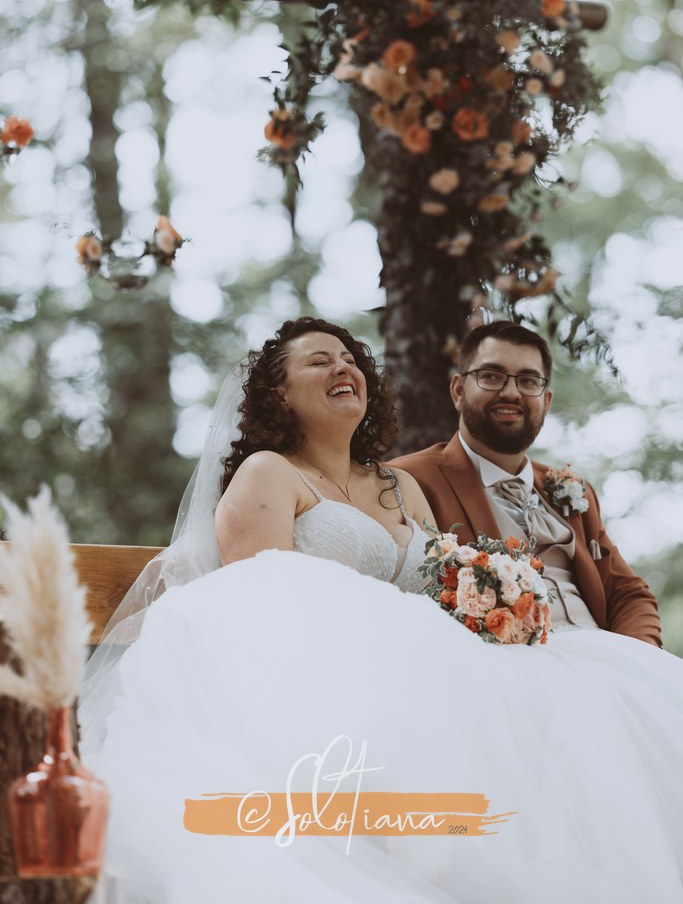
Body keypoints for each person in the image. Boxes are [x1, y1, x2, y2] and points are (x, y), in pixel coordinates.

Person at [80, 316, 683, 904]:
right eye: (319, 361)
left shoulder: (398, 488)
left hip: (434, 668)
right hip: (323, 680)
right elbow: (254, 608)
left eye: (350, 360)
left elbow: (443, 587)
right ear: (277, 393)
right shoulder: (268, 474)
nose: (343, 367)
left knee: (593, 698)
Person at [392, 320, 662, 647]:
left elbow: (627, 593)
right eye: (491, 376)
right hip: (511, 670)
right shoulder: (409, 481)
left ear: (546, 401)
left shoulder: (577, 491)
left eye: (528, 380)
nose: (511, 392)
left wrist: (638, 659)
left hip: (609, 657)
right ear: (458, 391)